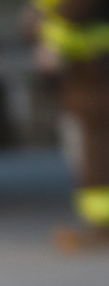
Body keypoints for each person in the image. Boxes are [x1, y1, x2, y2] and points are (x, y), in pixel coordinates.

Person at [40, 0, 109, 250]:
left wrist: (53, 43)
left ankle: (102, 225)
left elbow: (73, 13)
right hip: (88, 74)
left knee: (94, 150)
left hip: (92, 75)